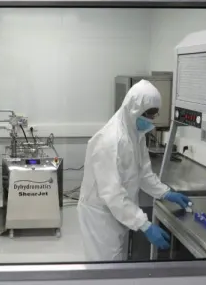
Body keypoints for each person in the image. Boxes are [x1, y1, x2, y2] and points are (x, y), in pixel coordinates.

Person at [77, 80, 192, 261]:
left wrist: (165, 193)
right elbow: (112, 194)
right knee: (105, 266)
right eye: (148, 114)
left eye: (154, 114)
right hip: (101, 215)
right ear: (133, 109)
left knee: (117, 261)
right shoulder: (109, 141)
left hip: (119, 211)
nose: (151, 120)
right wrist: (144, 224)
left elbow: (143, 173)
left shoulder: (136, 134)